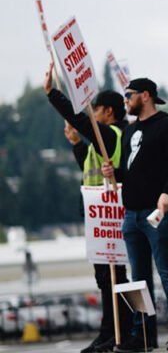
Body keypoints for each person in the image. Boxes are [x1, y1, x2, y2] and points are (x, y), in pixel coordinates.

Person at [101, 78, 168, 351]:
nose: (125, 100)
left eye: (129, 95)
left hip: (156, 211)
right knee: (137, 280)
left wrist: (167, 194)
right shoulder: (130, 131)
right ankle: (142, 336)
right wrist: (114, 173)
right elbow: (131, 170)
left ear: (145, 95)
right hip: (131, 213)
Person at [45, 71, 132, 353]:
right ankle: (110, 332)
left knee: (113, 276)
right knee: (105, 277)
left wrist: (53, 95)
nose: (93, 114)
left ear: (107, 111)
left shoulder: (111, 133)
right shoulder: (102, 139)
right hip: (98, 213)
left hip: (109, 213)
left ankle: (116, 332)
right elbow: (88, 162)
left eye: (96, 109)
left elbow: (83, 119)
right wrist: (76, 144)